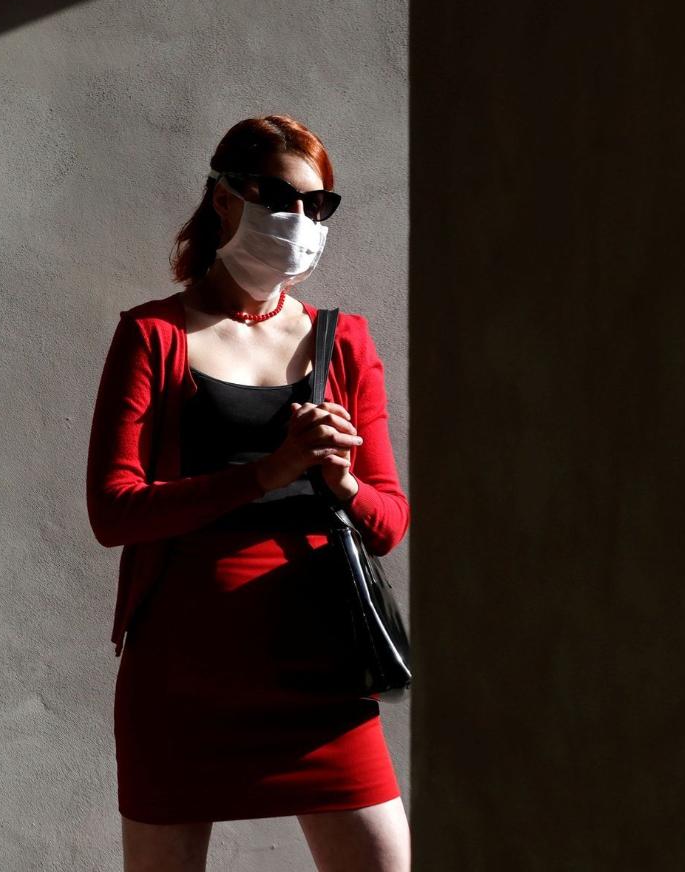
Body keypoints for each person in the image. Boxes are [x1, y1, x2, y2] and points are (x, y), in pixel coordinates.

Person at [84, 115, 412, 872]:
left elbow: (389, 521)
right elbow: (113, 510)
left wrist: (340, 480)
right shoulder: (154, 335)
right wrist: (266, 471)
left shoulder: (344, 341)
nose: (300, 220)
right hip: (183, 676)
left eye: (318, 205)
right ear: (224, 198)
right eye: (279, 197)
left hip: (323, 674)